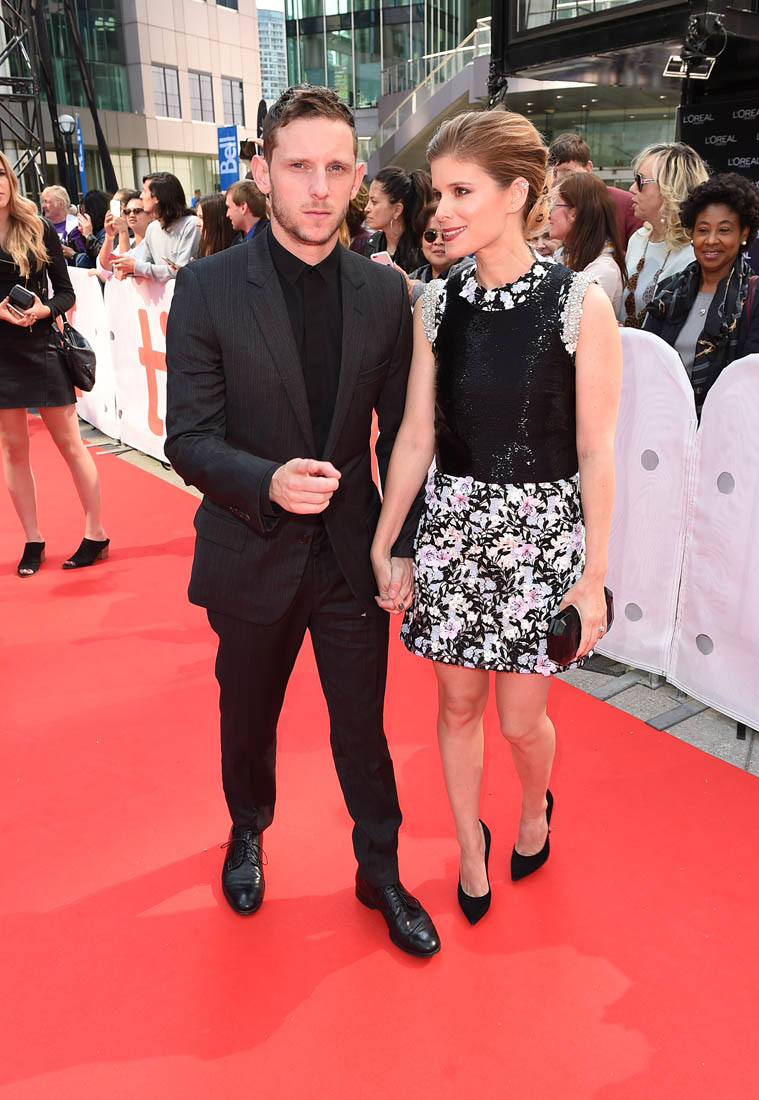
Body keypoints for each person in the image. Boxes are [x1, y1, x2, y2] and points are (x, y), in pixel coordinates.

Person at [164, 85, 440, 958]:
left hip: (352, 553)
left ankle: (380, 869)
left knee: (363, 726)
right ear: (263, 171)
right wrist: (268, 481)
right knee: (247, 716)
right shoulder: (207, 288)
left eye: (336, 168)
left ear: (358, 177)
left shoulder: (385, 293)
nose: (318, 188)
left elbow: (405, 435)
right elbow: (188, 439)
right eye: (298, 167)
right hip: (250, 547)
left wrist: (400, 543)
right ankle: (248, 829)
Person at [371, 110, 622, 926]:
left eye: (461, 192)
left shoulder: (579, 303)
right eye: (437, 192)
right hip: (453, 529)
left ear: (516, 194)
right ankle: (469, 846)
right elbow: (415, 436)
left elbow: (596, 450)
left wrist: (593, 578)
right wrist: (388, 540)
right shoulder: (436, 305)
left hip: (540, 539)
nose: (440, 210)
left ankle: (536, 805)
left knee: (521, 723)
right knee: (455, 708)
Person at [0, 152, 109, 576]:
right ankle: (33, 538)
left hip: (41, 345)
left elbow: (66, 292)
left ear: (10, 178)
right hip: (2, 354)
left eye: (1, 173)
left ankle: (96, 533)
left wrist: (43, 310)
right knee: (13, 449)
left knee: (70, 443)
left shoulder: (37, 226)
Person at [644, 173, 759, 416]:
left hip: (729, 426)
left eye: (724, 230)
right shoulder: (669, 290)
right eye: (702, 230)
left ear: (743, 234)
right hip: (664, 421)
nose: (711, 240)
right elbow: (647, 360)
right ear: (692, 234)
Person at [620, 142, 708, 327]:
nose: (632, 188)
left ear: (670, 188)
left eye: (640, 180)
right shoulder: (638, 239)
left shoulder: (697, 253)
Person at [548, 172, 626, 312]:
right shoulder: (563, 254)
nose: (548, 215)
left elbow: (571, 319)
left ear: (574, 213)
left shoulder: (603, 269)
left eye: (553, 206)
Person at [548, 132, 643, 244]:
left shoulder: (624, 202)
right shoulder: (550, 206)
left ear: (588, 168)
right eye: (554, 173)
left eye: (567, 171)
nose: (559, 179)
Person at [111, 171, 200, 281]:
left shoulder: (191, 225)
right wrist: (128, 271)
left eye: (145, 191)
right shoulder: (152, 228)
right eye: (127, 212)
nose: (141, 196)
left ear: (157, 198)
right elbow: (144, 267)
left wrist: (136, 267)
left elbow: (182, 271)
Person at [362, 166, 433, 272]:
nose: (367, 208)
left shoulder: (423, 247)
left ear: (397, 210)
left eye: (374, 202)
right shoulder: (372, 244)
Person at [408, 200, 473, 291]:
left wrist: (417, 289)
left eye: (446, 234)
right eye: (431, 235)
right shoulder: (413, 278)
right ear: (421, 242)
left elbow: (451, 293)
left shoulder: (473, 274)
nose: (438, 242)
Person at [98, 190, 150, 279]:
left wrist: (123, 232)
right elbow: (104, 270)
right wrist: (109, 236)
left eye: (137, 211)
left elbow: (124, 271)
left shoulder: (152, 243)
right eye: (127, 212)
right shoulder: (129, 241)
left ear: (150, 215)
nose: (131, 215)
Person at [72, 190, 111, 268]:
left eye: (84, 214)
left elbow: (102, 258)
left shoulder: (107, 231)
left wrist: (88, 235)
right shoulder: (95, 231)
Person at [40, 185, 78, 261]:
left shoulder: (77, 226)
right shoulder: (40, 227)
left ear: (61, 204)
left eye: (47, 202)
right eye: (42, 202)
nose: (43, 206)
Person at [196, 192, 237, 258]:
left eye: (201, 218)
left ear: (217, 220)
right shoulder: (204, 245)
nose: (197, 224)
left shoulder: (235, 254)